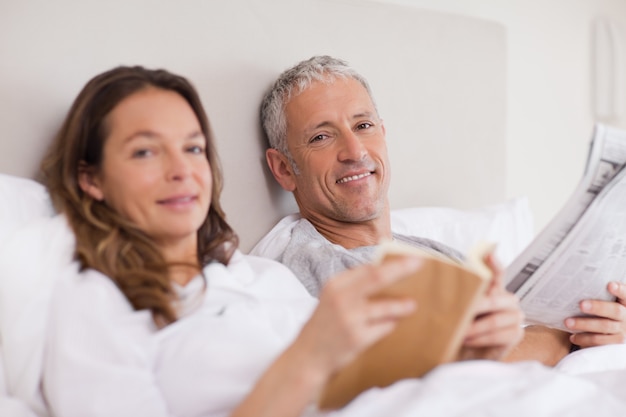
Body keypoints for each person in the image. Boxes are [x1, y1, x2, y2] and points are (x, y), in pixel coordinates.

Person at [37, 65, 525, 417]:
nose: (181, 169)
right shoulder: (94, 301)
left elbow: (372, 391)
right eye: (145, 151)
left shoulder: (259, 276)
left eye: (193, 148)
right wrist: (310, 357)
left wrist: (475, 359)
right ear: (91, 180)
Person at [259, 55, 626, 356]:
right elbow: (445, 369)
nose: (355, 152)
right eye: (322, 137)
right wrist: (570, 337)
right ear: (284, 168)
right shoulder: (319, 264)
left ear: (383, 136)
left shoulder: (429, 250)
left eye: (363, 125)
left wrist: (605, 326)